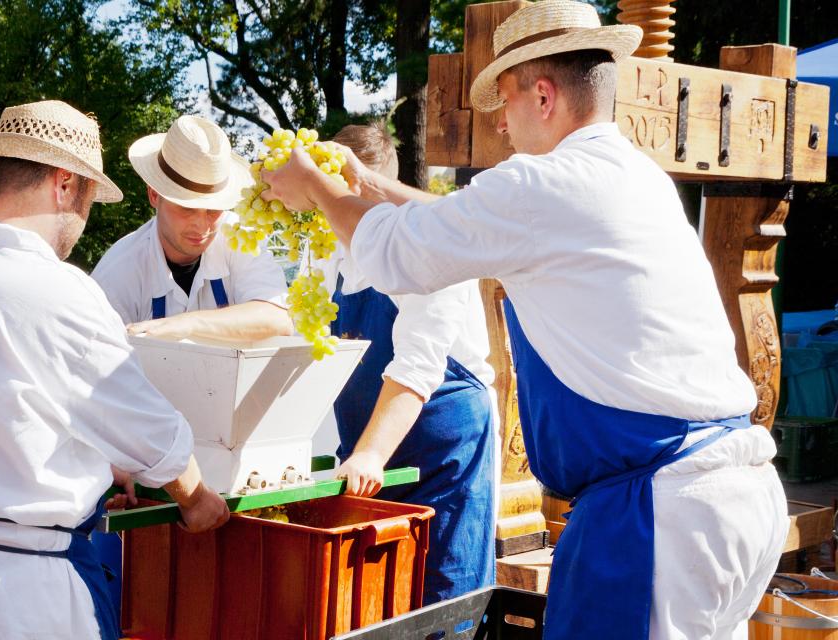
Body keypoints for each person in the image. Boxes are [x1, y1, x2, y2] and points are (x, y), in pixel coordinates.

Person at [259, 2, 789, 639]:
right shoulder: (628, 175)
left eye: (505, 100)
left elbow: (395, 252)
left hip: (660, 511)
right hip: (735, 495)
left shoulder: (542, 184)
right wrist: (371, 184)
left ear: (543, 95)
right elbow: (466, 220)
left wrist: (314, 185)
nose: (502, 127)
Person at [0, 100, 229, 640]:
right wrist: (198, 500)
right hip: (17, 595)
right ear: (65, 184)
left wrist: (103, 465)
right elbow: (150, 433)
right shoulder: (56, 287)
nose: (84, 221)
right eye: (89, 198)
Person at [319, 122, 496, 604]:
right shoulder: (326, 251)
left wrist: (371, 453)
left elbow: (418, 364)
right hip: (365, 453)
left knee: (443, 595)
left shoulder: (427, 245)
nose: (343, 215)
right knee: (366, 601)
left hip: (443, 452)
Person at [92, 115, 292, 342]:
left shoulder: (241, 236)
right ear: (154, 195)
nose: (201, 224)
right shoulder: (118, 271)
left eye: (214, 210)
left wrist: (188, 324)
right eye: (187, 207)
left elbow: (278, 318)